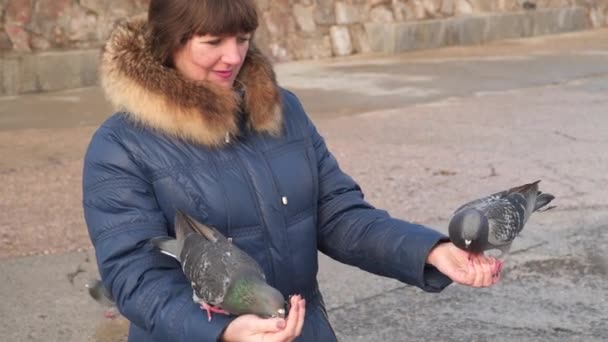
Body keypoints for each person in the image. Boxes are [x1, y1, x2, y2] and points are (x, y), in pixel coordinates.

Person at [82, 0, 501, 341]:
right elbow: (133, 276)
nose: (233, 56)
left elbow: (338, 215)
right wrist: (224, 331)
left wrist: (430, 251)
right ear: (168, 44)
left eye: (242, 39)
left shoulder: (282, 112)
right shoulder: (120, 145)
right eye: (212, 42)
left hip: (301, 331)